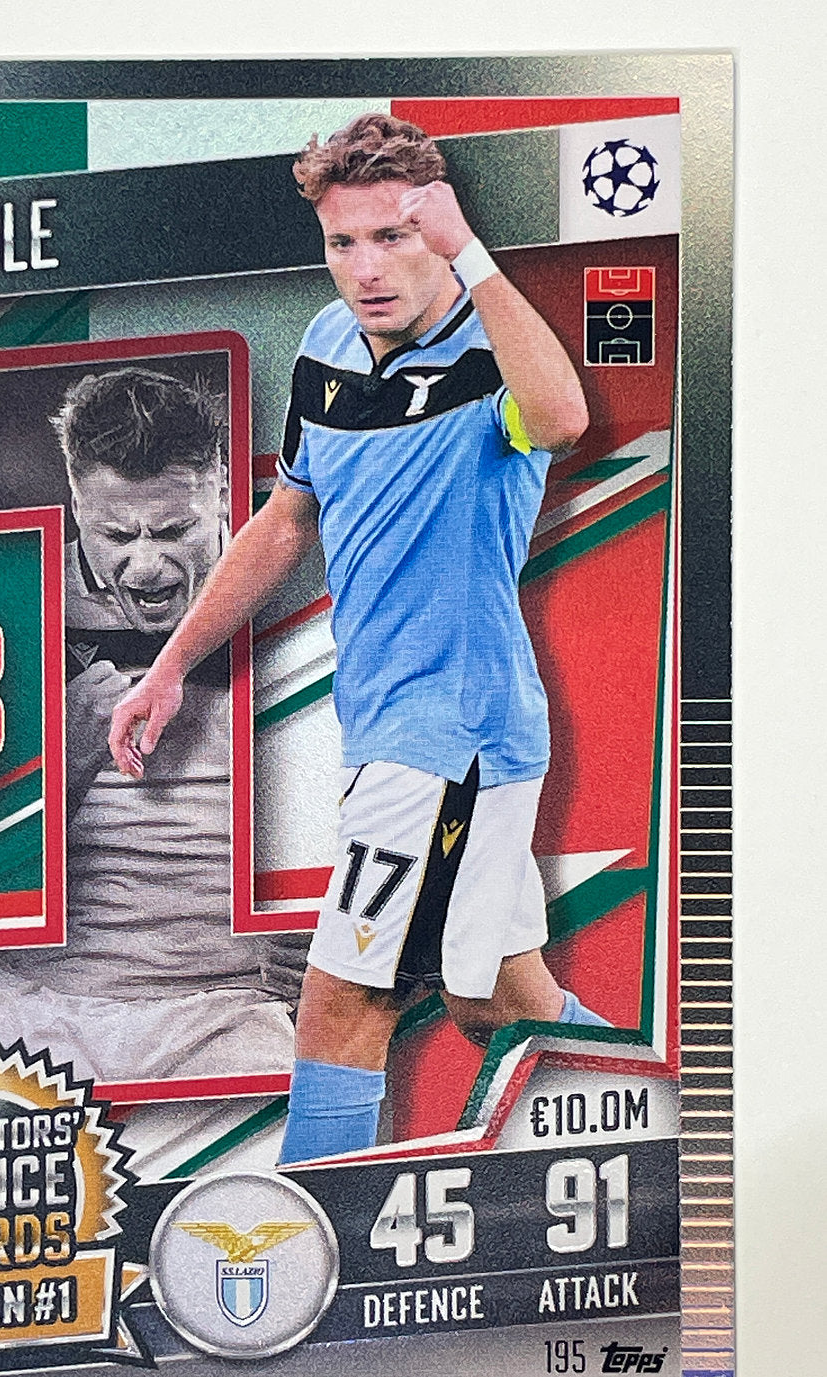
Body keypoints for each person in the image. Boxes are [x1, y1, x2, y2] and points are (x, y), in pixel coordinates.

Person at [109, 114, 610, 1162]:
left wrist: (472, 254)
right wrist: (171, 665)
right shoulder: (327, 347)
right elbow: (286, 521)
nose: (367, 267)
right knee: (498, 999)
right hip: (387, 728)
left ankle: (305, 1238)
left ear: (437, 233)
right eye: (344, 242)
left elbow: (563, 419)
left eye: (394, 236)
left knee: (342, 1004)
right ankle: (679, 1130)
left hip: (451, 736)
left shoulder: (493, 351)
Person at [0, 366, 302, 1083]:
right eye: (116, 533)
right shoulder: (5, 609)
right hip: (29, 1005)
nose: (144, 565)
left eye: (173, 530)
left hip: (226, 1010)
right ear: (75, 501)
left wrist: (346, 937)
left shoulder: (299, 604)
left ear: (223, 492)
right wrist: (57, 761)